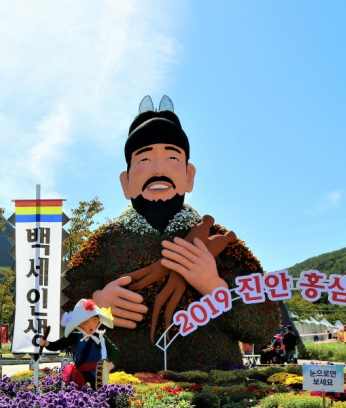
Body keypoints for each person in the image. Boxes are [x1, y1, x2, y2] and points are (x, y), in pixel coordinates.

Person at [63, 95, 278, 373]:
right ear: (126, 183)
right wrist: (95, 303)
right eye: (145, 158)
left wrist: (215, 287)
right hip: (122, 388)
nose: (159, 169)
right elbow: (62, 299)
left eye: (172, 157)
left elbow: (265, 324)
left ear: (189, 176)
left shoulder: (219, 241)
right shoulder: (105, 242)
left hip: (216, 388)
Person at [40, 299, 120, 390]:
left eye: (94, 321)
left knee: (98, 395)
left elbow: (114, 351)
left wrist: (110, 365)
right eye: (86, 322)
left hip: (97, 373)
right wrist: (46, 343)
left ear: (98, 321)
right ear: (78, 324)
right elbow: (58, 345)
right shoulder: (74, 337)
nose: (91, 326)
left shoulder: (101, 337)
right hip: (80, 372)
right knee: (79, 395)